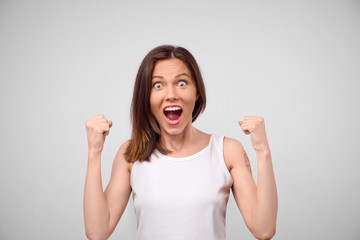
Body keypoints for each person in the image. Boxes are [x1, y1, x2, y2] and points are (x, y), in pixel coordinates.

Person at [84, 45, 278, 240]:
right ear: (146, 97)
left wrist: (263, 151)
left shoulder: (227, 151)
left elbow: (263, 229)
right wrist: (94, 153)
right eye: (157, 85)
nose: (171, 94)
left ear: (197, 92)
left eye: (182, 83)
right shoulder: (132, 153)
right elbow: (97, 232)